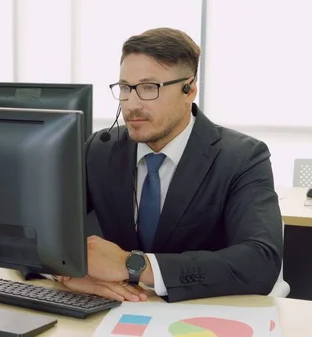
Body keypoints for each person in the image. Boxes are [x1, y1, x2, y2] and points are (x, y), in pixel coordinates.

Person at [55, 27, 283, 303]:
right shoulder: (100, 149)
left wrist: (132, 265)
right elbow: (38, 231)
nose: (132, 104)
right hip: (118, 312)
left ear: (189, 90)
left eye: (150, 88)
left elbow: (260, 262)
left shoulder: (242, 157)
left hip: (200, 314)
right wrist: (67, 275)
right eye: (126, 87)